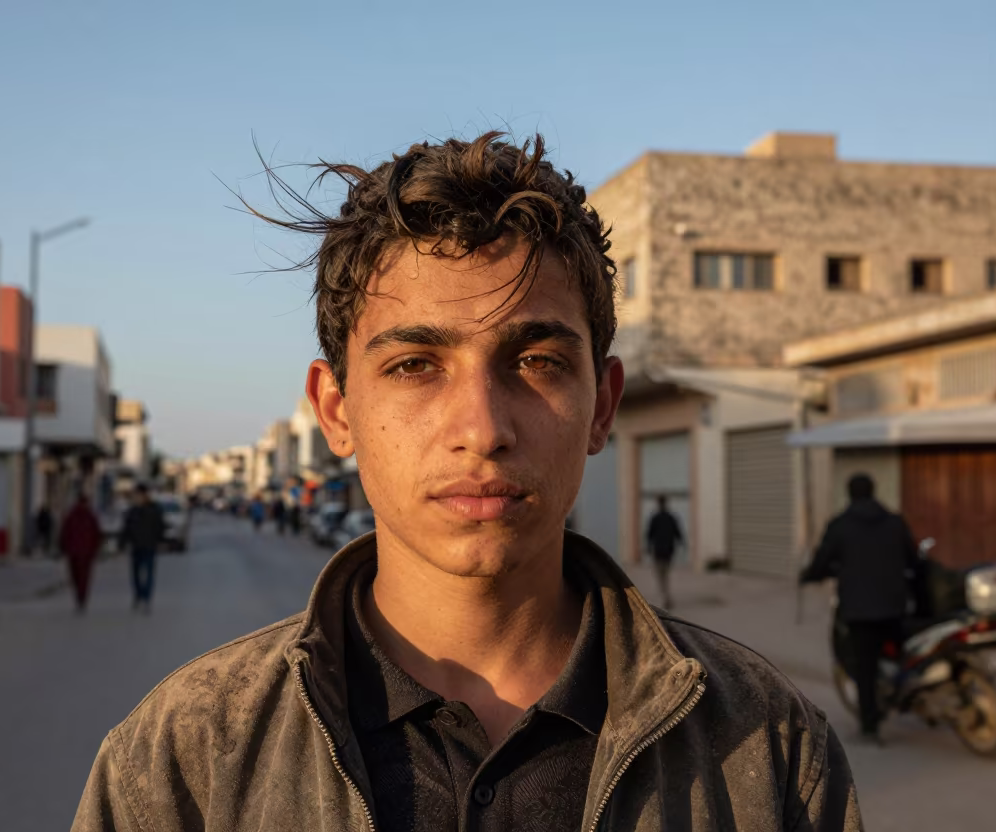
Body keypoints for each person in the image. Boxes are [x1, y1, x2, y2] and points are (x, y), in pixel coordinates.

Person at [73, 134, 859, 831]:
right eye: (415, 366)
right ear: (336, 410)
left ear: (602, 404)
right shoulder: (187, 754)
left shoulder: (767, 740)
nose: (482, 429)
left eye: (536, 362)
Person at [802, 473, 919, 746]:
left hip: (859, 611)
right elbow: (913, 558)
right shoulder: (894, 521)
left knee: (865, 668)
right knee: (902, 654)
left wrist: (809, 575)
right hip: (895, 606)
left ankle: (870, 726)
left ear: (850, 494)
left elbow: (822, 561)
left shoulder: (840, 525)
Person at [121, 485, 164, 612]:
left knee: (149, 573)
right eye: (136, 495)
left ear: (145, 495)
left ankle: (146, 598)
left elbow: (160, 526)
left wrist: (160, 541)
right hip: (136, 546)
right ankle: (138, 595)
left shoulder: (154, 509)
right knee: (135, 574)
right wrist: (122, 543)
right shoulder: (132, 511)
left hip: (149, 546)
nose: (137, 498)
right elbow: (126, 528)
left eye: (139, 495)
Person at [60, 494, 103, 613]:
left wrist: (64, 548)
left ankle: (80, 598)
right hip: (85, 553)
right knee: (83, 578)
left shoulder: (72, 516)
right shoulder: (89, 516)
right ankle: (81, 598)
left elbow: (64, 533)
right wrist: (95, 550)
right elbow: (97, 535)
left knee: (76, 577)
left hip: (75, 553)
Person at [645, 495, 684, 609]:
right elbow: (678, 532)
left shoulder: (655, 518)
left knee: (661, 575)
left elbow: (649, 535)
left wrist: (648, 548)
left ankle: (665, 596)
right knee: (665, 573)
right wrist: (682, 544)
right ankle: (666, 596)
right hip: (668, 550)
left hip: (659, 550)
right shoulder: (671, 517)